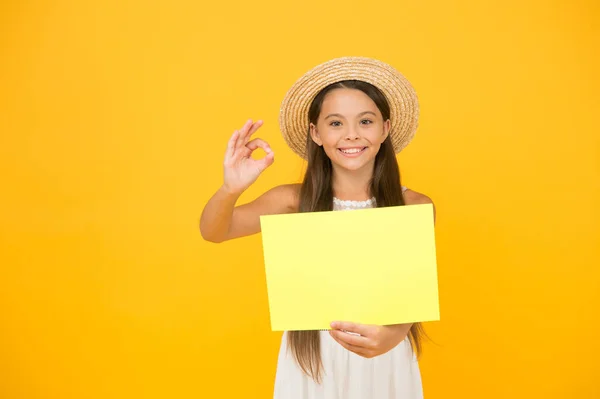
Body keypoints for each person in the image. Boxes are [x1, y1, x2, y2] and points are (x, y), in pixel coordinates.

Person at [200, 56, 436, 399]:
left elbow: (411, 292)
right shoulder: (290, 201)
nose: (351, 135)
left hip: (385, 360)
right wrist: (230, 189)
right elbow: (214, 231)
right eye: (336, 123)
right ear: (316, 132)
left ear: (385, 129)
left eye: (366, 121)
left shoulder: (414, 206)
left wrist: (394, 334)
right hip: (313, 362)